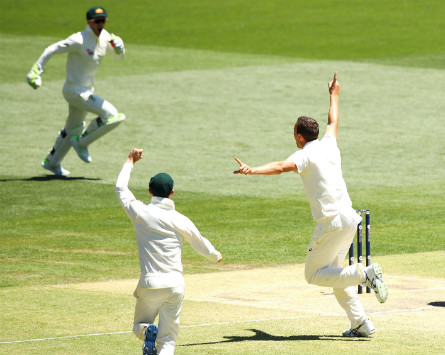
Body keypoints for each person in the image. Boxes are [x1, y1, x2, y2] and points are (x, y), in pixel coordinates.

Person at [233, 73, 388, 337]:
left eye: (294, 133)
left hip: (331, 222)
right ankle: (361, 323)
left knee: (314, 275)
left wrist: (252, 170)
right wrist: (334, 93)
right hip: (350, 219)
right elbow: (333, 120)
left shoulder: (304, 155)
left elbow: (281, 167)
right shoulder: (329, 142)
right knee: (335, 274)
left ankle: (365, 274)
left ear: (300, 136)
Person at [116, 148, 223, 355]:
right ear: (172, 193)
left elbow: (120, 188)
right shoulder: (180, 219)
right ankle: (153, 337)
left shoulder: (139, 212)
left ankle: (147, 331)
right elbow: (198, 241)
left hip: (150, 283)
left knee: (139, 327)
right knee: (168, 342)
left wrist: (130, 161)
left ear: (149, 192)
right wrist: (214, 254)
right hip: (174, 285)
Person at [27, 6, 127, 176]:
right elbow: (52, 49)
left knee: (73, 128)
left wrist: (120, 48)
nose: (101, 24)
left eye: (103, 20)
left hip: (86, 90)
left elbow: (119, 56)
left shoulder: (105, 36)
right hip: (74, 91)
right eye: (97, 21)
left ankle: (51, 162)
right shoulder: (78, 39)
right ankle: (81, 143)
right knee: (113, 116)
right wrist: (36, 71)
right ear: (89, 22)